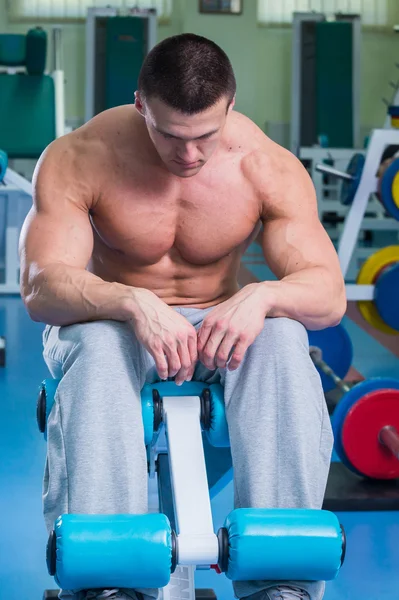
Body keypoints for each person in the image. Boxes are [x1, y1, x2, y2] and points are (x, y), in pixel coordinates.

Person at [19, 33, 346, 600]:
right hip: (116, 327)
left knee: (283, 336)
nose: (188, 155)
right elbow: (41, 288)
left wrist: (261, 297)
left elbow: (327, 295)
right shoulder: (80, 156)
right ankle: (108, 581)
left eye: (205, 136)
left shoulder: (265, 165)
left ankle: (282, 581)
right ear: (142, 104)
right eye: (171, 134)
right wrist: (130, 300)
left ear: (231, 107)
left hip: (218, 332)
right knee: (96, 346)